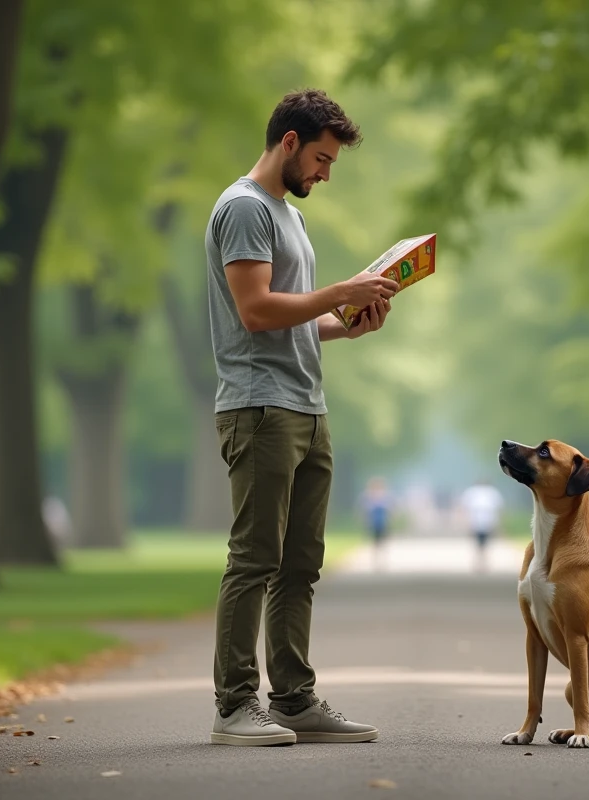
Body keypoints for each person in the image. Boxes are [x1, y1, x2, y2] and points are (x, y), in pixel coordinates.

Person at [204, 89, 400, 747]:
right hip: (259, 408)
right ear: (289, 143)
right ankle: (235, 706)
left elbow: (295, 319)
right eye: (320, 159)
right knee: (255, 559)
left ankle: (292, 699)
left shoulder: (288, 216)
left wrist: (346, 325)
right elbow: (256, 311)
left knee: (300, 565)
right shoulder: (243, 210)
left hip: (307, 407)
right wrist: (340, 289)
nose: (323, 173)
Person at [457, 478, 505, 572]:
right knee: (480, 543)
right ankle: (480, 562)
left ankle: (482, 562)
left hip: (486, 521)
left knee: (483, 543)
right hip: (477, 521)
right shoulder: (478, 492)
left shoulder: (490, 492)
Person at [360, 476, 395, 570]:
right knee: (376, 542)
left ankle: (382, 560)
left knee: (382, 542)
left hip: (383, 522)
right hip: (374, 523)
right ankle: (377, 560)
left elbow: (391, 509)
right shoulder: (368, 496)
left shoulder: (385, 496)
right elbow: (365, 510)